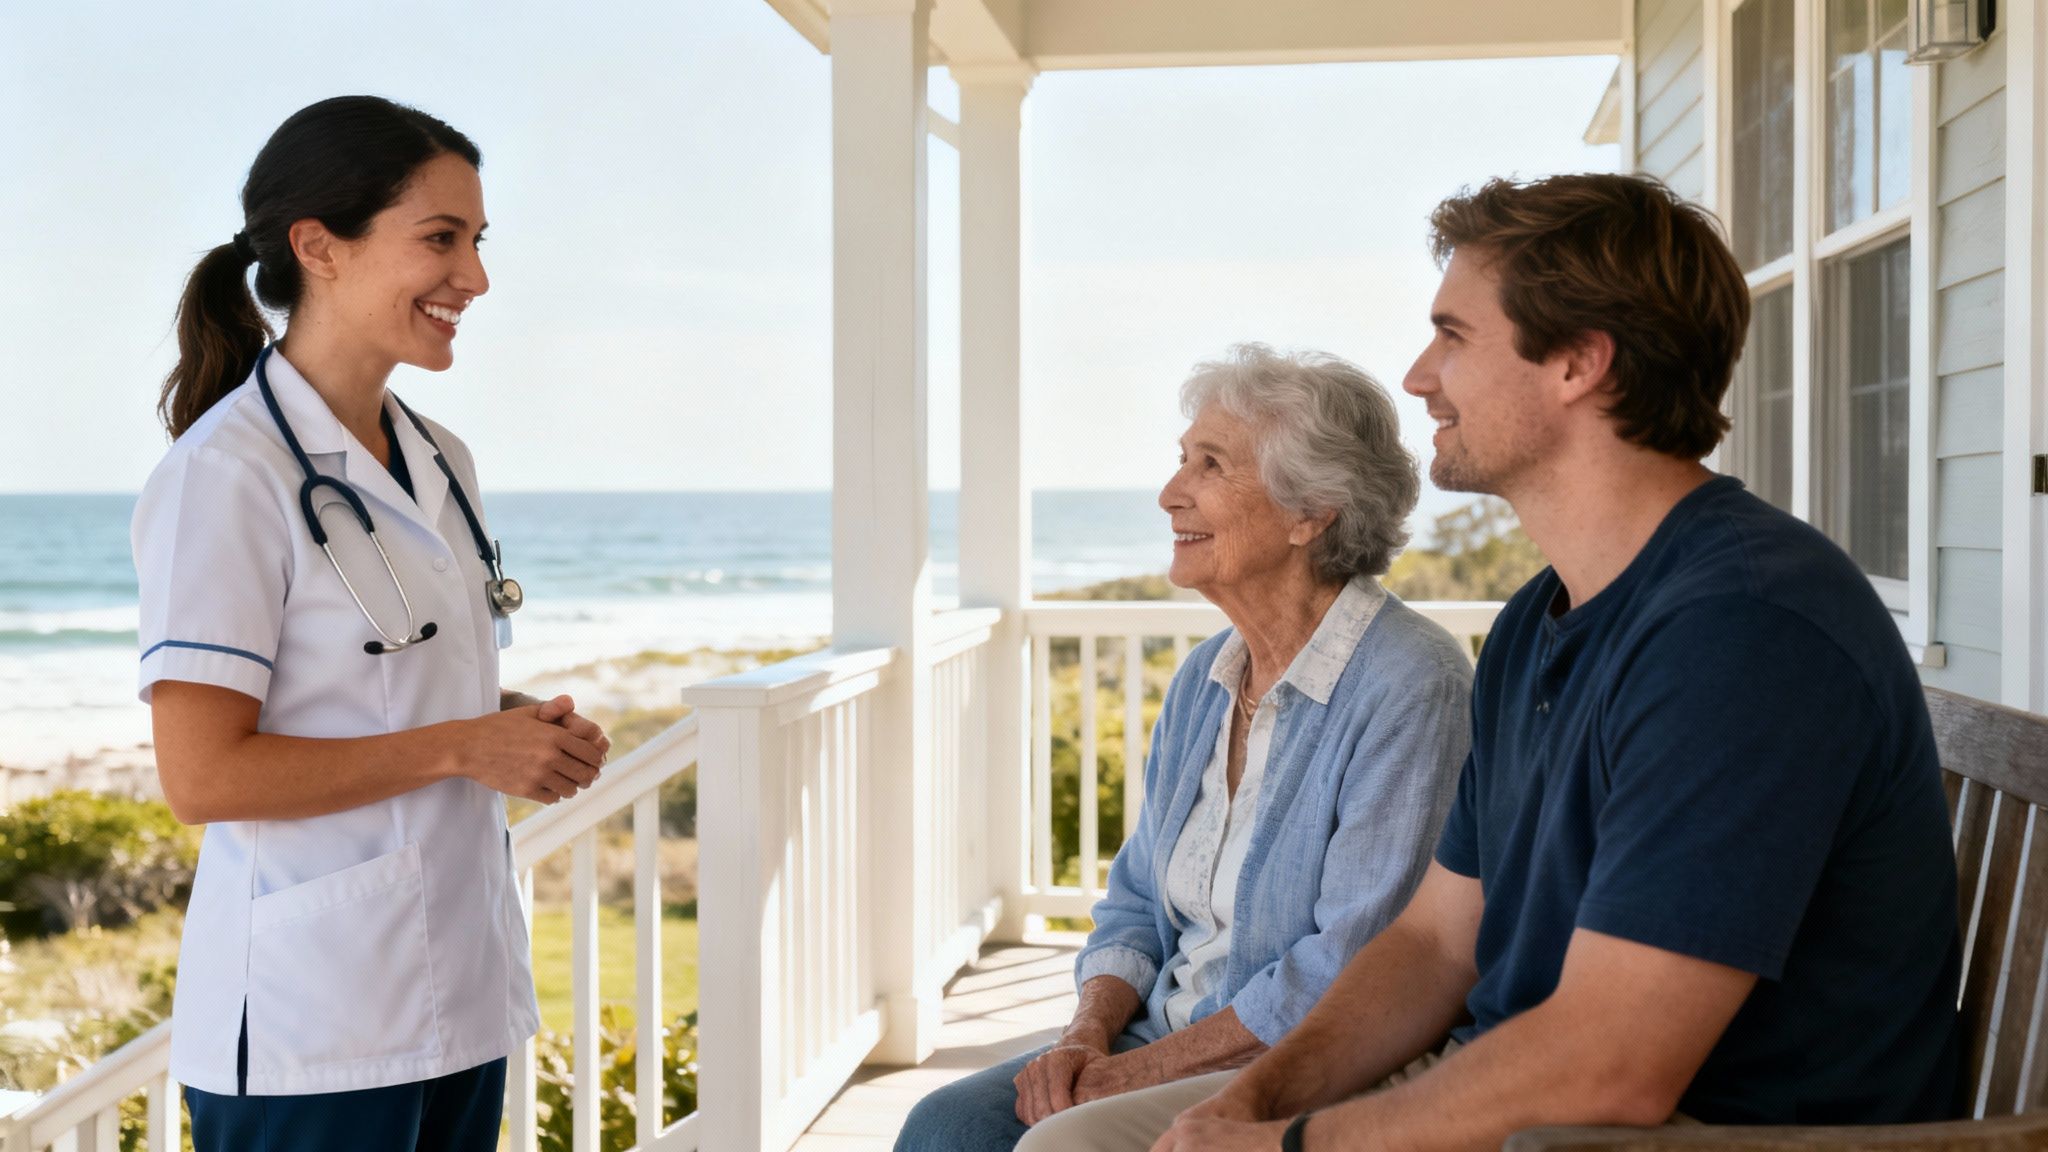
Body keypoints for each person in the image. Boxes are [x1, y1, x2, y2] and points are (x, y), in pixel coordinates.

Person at [1127, 174, 1962, 1152]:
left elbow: (1611, 1065)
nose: (1415, 375)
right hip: (1527, 1108)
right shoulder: (1540, 618)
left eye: (1453, 335)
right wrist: (1254, 1100)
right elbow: (1437, 941)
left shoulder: (1740, 631)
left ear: (1576, 363)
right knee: (1069, 1144)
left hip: (1688, 1140)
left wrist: (1289, 1146)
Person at [134, 96, 612, 1152]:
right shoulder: (225, 476)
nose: (474, 278)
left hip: (459, 996)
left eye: (477, 242)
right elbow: (203, 776)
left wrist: (511, 725)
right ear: (319, 247)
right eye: (439, 239)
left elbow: (376, 682)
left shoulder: (439, 454)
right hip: (311, 1026)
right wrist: (460, 743)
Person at [897, 345, 1474, 1152]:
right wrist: (1085, 1039)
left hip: (1302, 1060)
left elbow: (1354, 962)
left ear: (1310, 512)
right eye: (1182, 460)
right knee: (944, 1127)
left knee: (1048, 1145)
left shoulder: (1411, 683)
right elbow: (1134, 902)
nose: (1172, 495)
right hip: (1163, 1038)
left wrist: (1131, 1077)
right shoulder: (1210, 673)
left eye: (1211, 465)